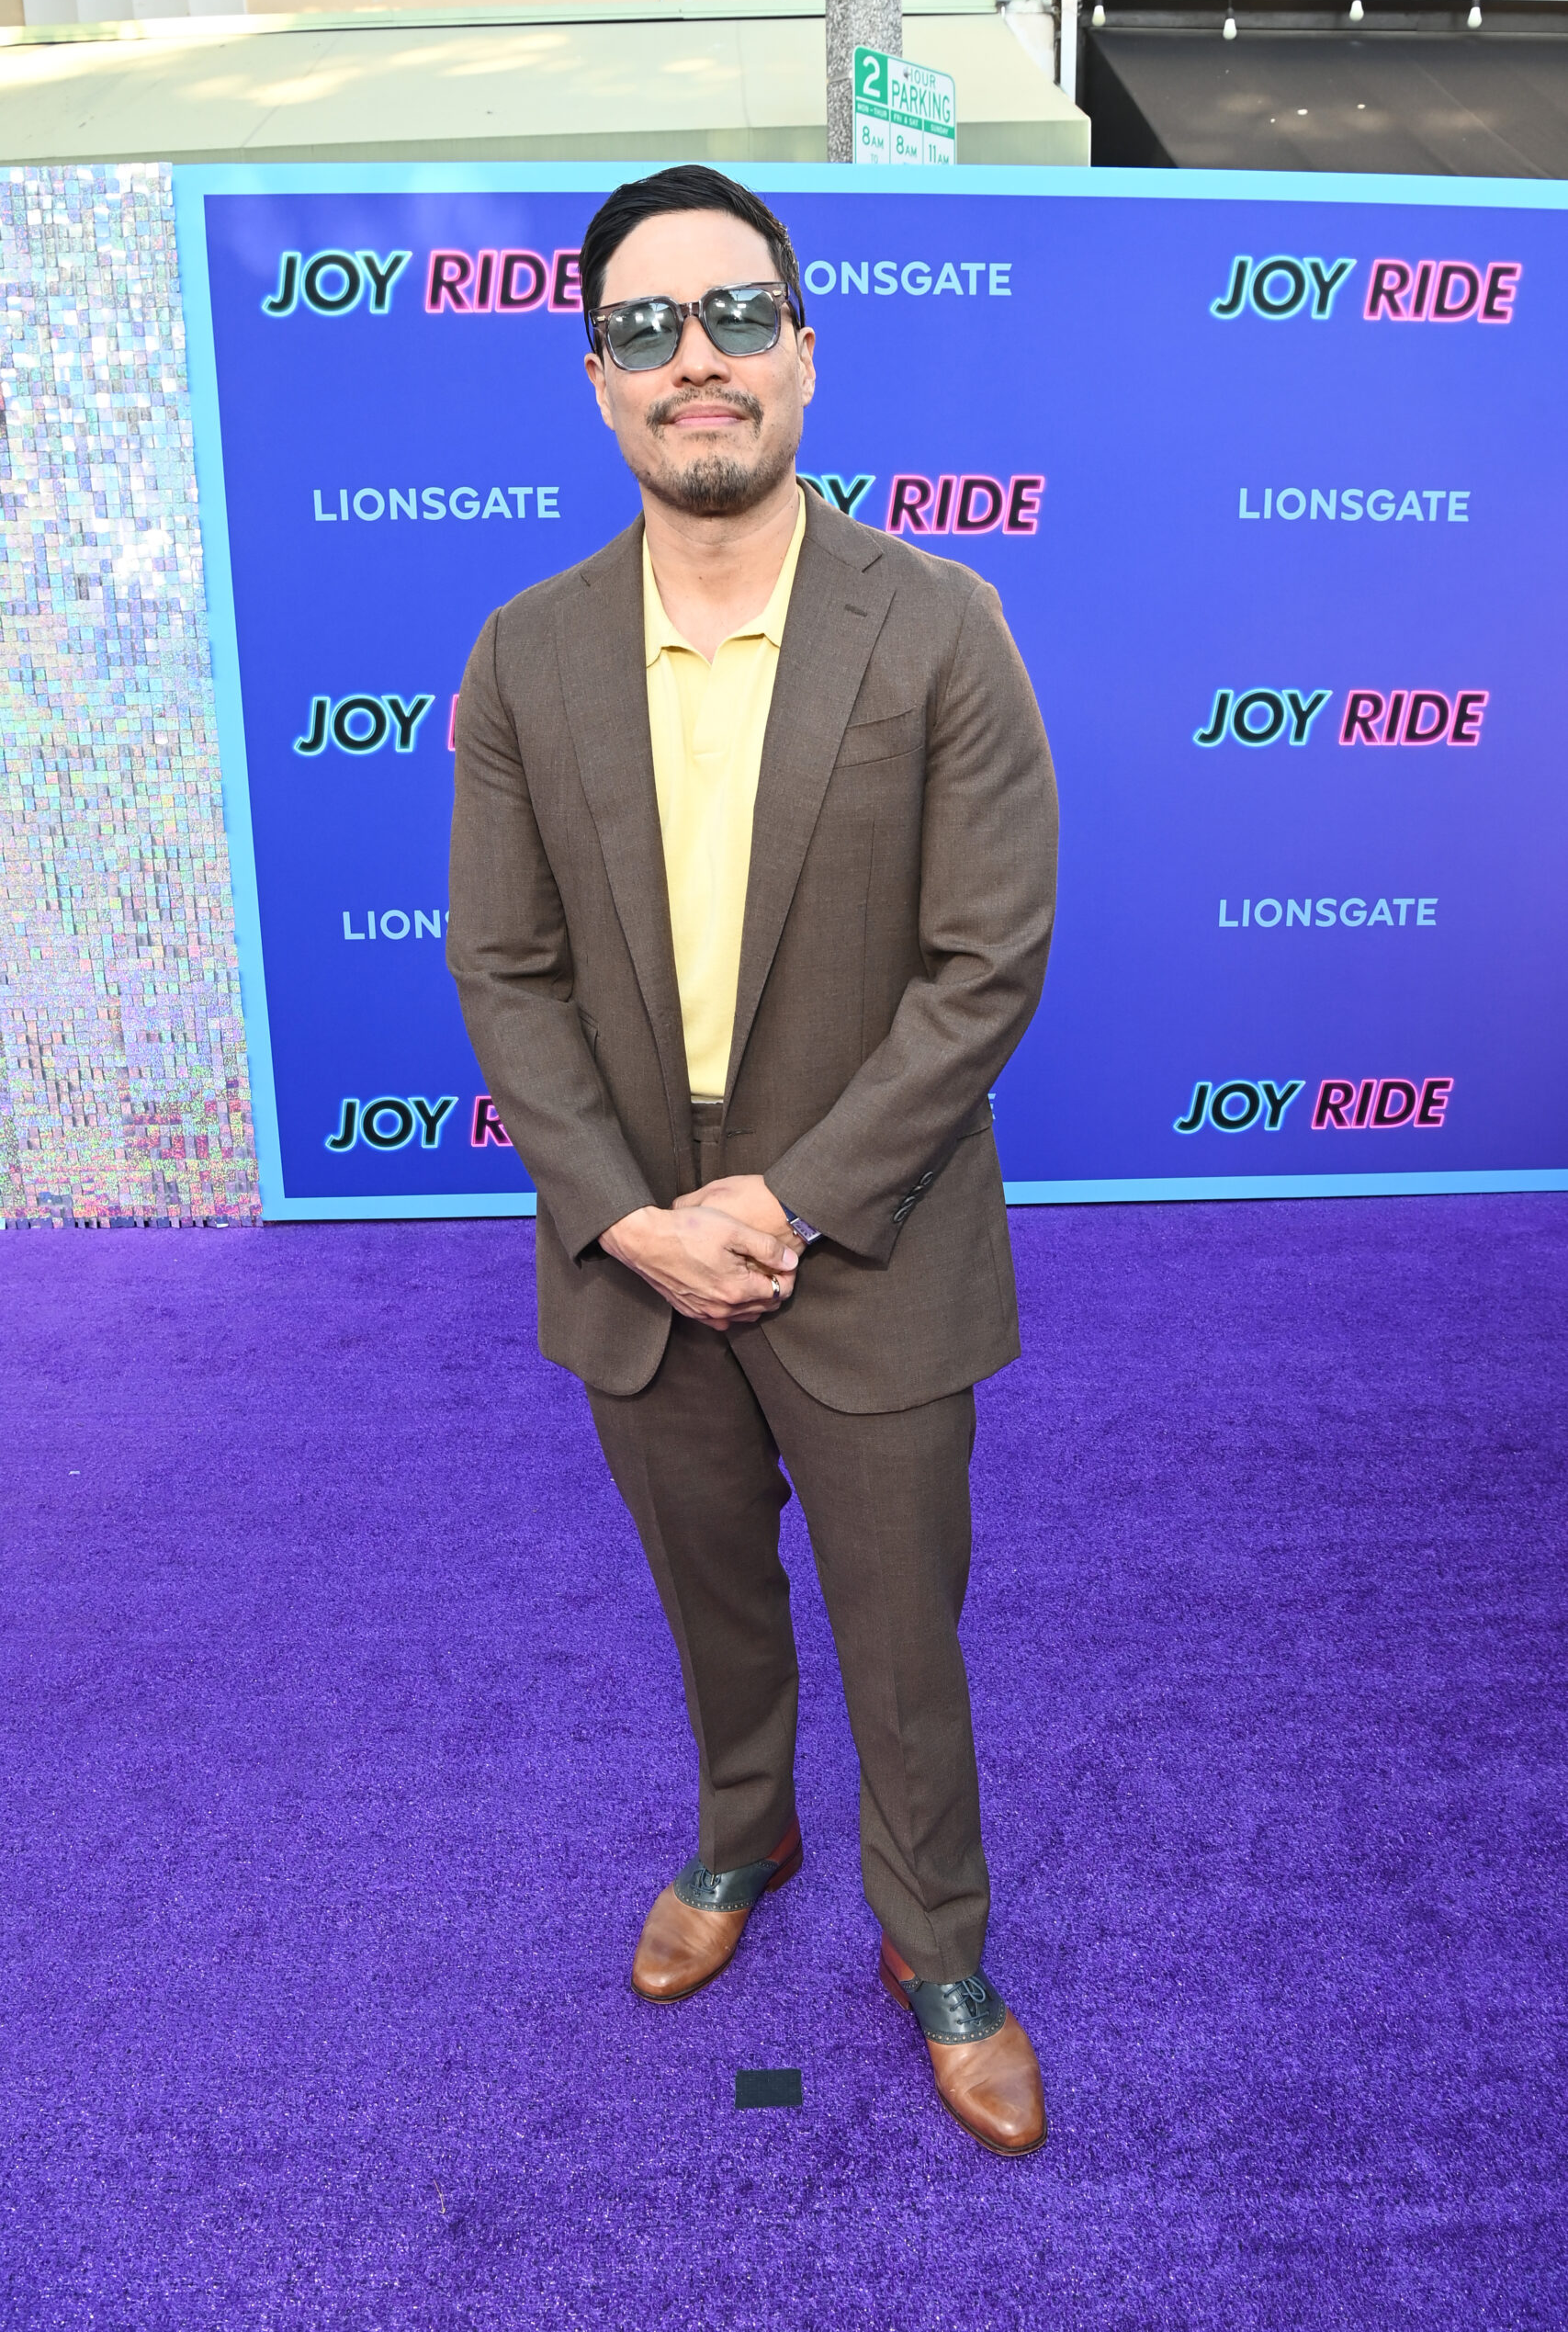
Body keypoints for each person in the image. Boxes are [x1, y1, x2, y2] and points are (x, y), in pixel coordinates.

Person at [447, 164, 1058, 2156]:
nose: (688, 360)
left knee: (903, 1627)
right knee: (707, 1596)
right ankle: (741, 1835)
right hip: (631, 1253)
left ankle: (936, 1936)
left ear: (800, 350)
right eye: (641, 327)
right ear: (595, 381)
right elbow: (502, 966)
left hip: (865, 1243)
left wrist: (779, 1203)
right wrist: (630, 1214)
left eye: (729, 318)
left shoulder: (941, 623)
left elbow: (986, 964)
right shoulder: (523, 655)